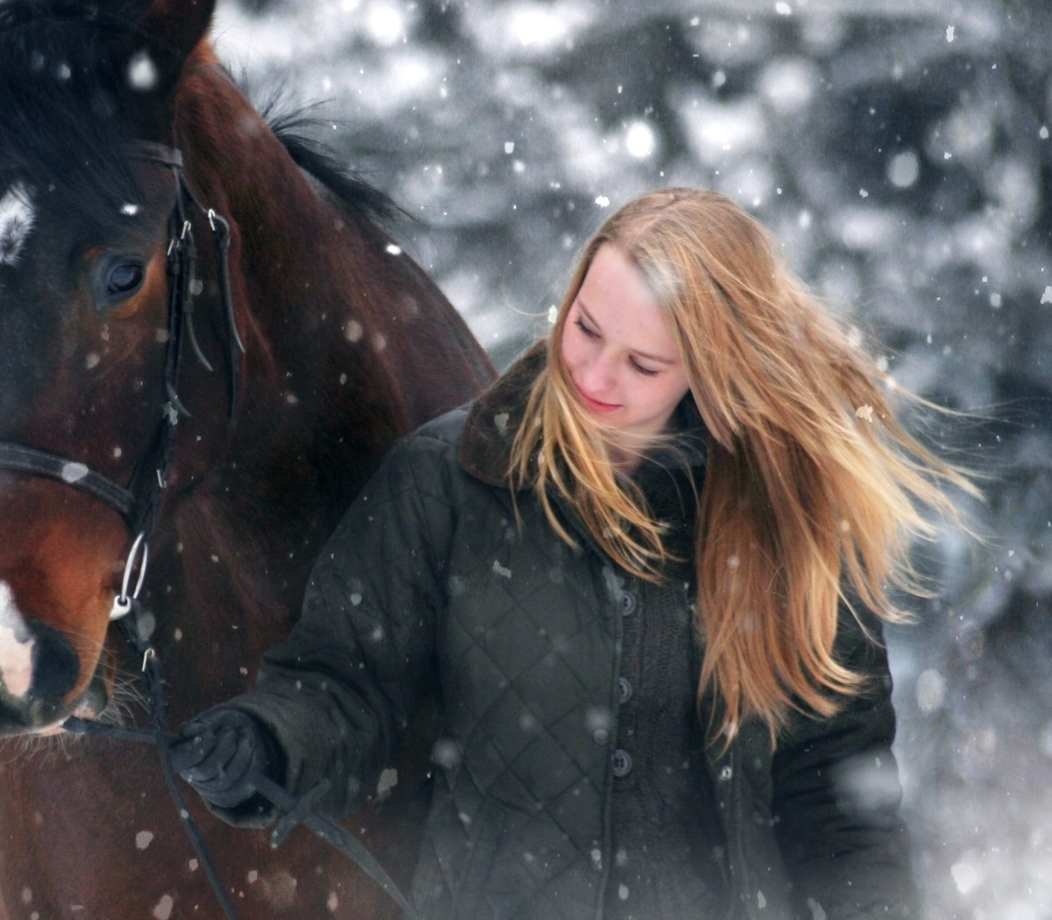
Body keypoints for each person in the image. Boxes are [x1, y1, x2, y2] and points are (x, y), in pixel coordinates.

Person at [167, 187, 972, 920]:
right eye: (586, 328)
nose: (593, 374)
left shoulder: (790, 526)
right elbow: (348, 688)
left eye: (643, 363)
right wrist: (268, 738)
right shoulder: (449, 482)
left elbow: (837, 795)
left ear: (711, 374)